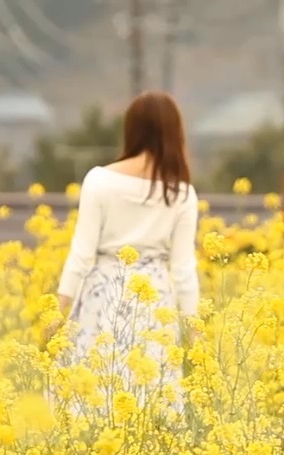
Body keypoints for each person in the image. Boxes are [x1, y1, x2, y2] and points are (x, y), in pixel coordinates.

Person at [51, 90, 200, 416]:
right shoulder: (182, 193)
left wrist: (57, 314)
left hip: (102, 293)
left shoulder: (99, 181)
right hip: (155, 301)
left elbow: (81, 254)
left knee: (93, 397)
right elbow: (184, 271)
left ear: (132, 130)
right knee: (151, 400)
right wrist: (195, 334)